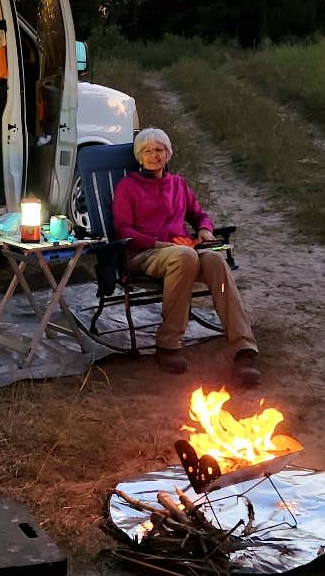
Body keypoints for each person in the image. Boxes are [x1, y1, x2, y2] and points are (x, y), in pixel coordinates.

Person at [111, 128, 260, 386]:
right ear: (139, 156)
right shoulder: (128, 187)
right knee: (184, 256)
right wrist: (159, 243)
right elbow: (123, 229)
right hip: (144, 254)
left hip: (183, 254)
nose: (153, 155)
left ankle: (243, 347)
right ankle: (168, 344)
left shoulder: (178, 184)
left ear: (168, 154)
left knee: (214, 260)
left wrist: (204, 229)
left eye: (159, 150)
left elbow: (199, 214)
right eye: (147, 150)